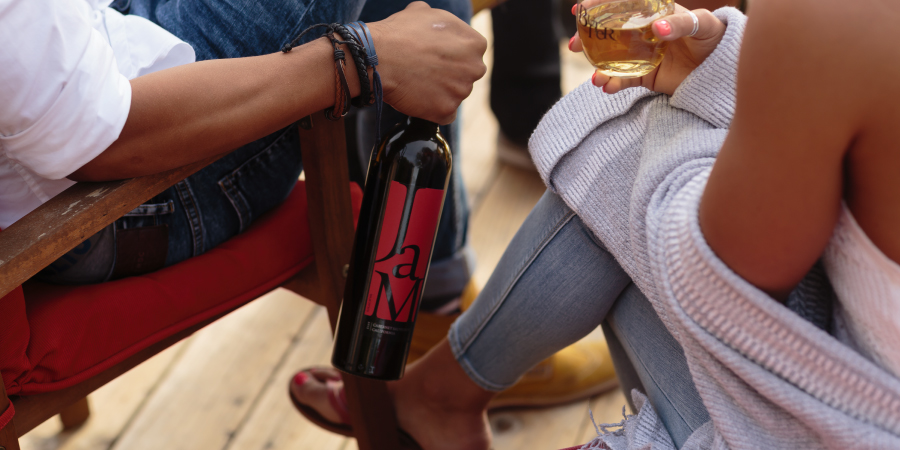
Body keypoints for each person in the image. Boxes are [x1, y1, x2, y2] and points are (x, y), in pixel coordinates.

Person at [290, 0, 900, 449]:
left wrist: (691, 101)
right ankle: (440, 395)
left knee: (631, 143)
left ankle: (441, 393)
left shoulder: (832, 20)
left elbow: (712, 286)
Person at [1, 0, 485, 290]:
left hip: (102, 31)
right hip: (122, 194)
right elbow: (99, 138)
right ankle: (426, 305)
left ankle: (428, 293)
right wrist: (361, 59)